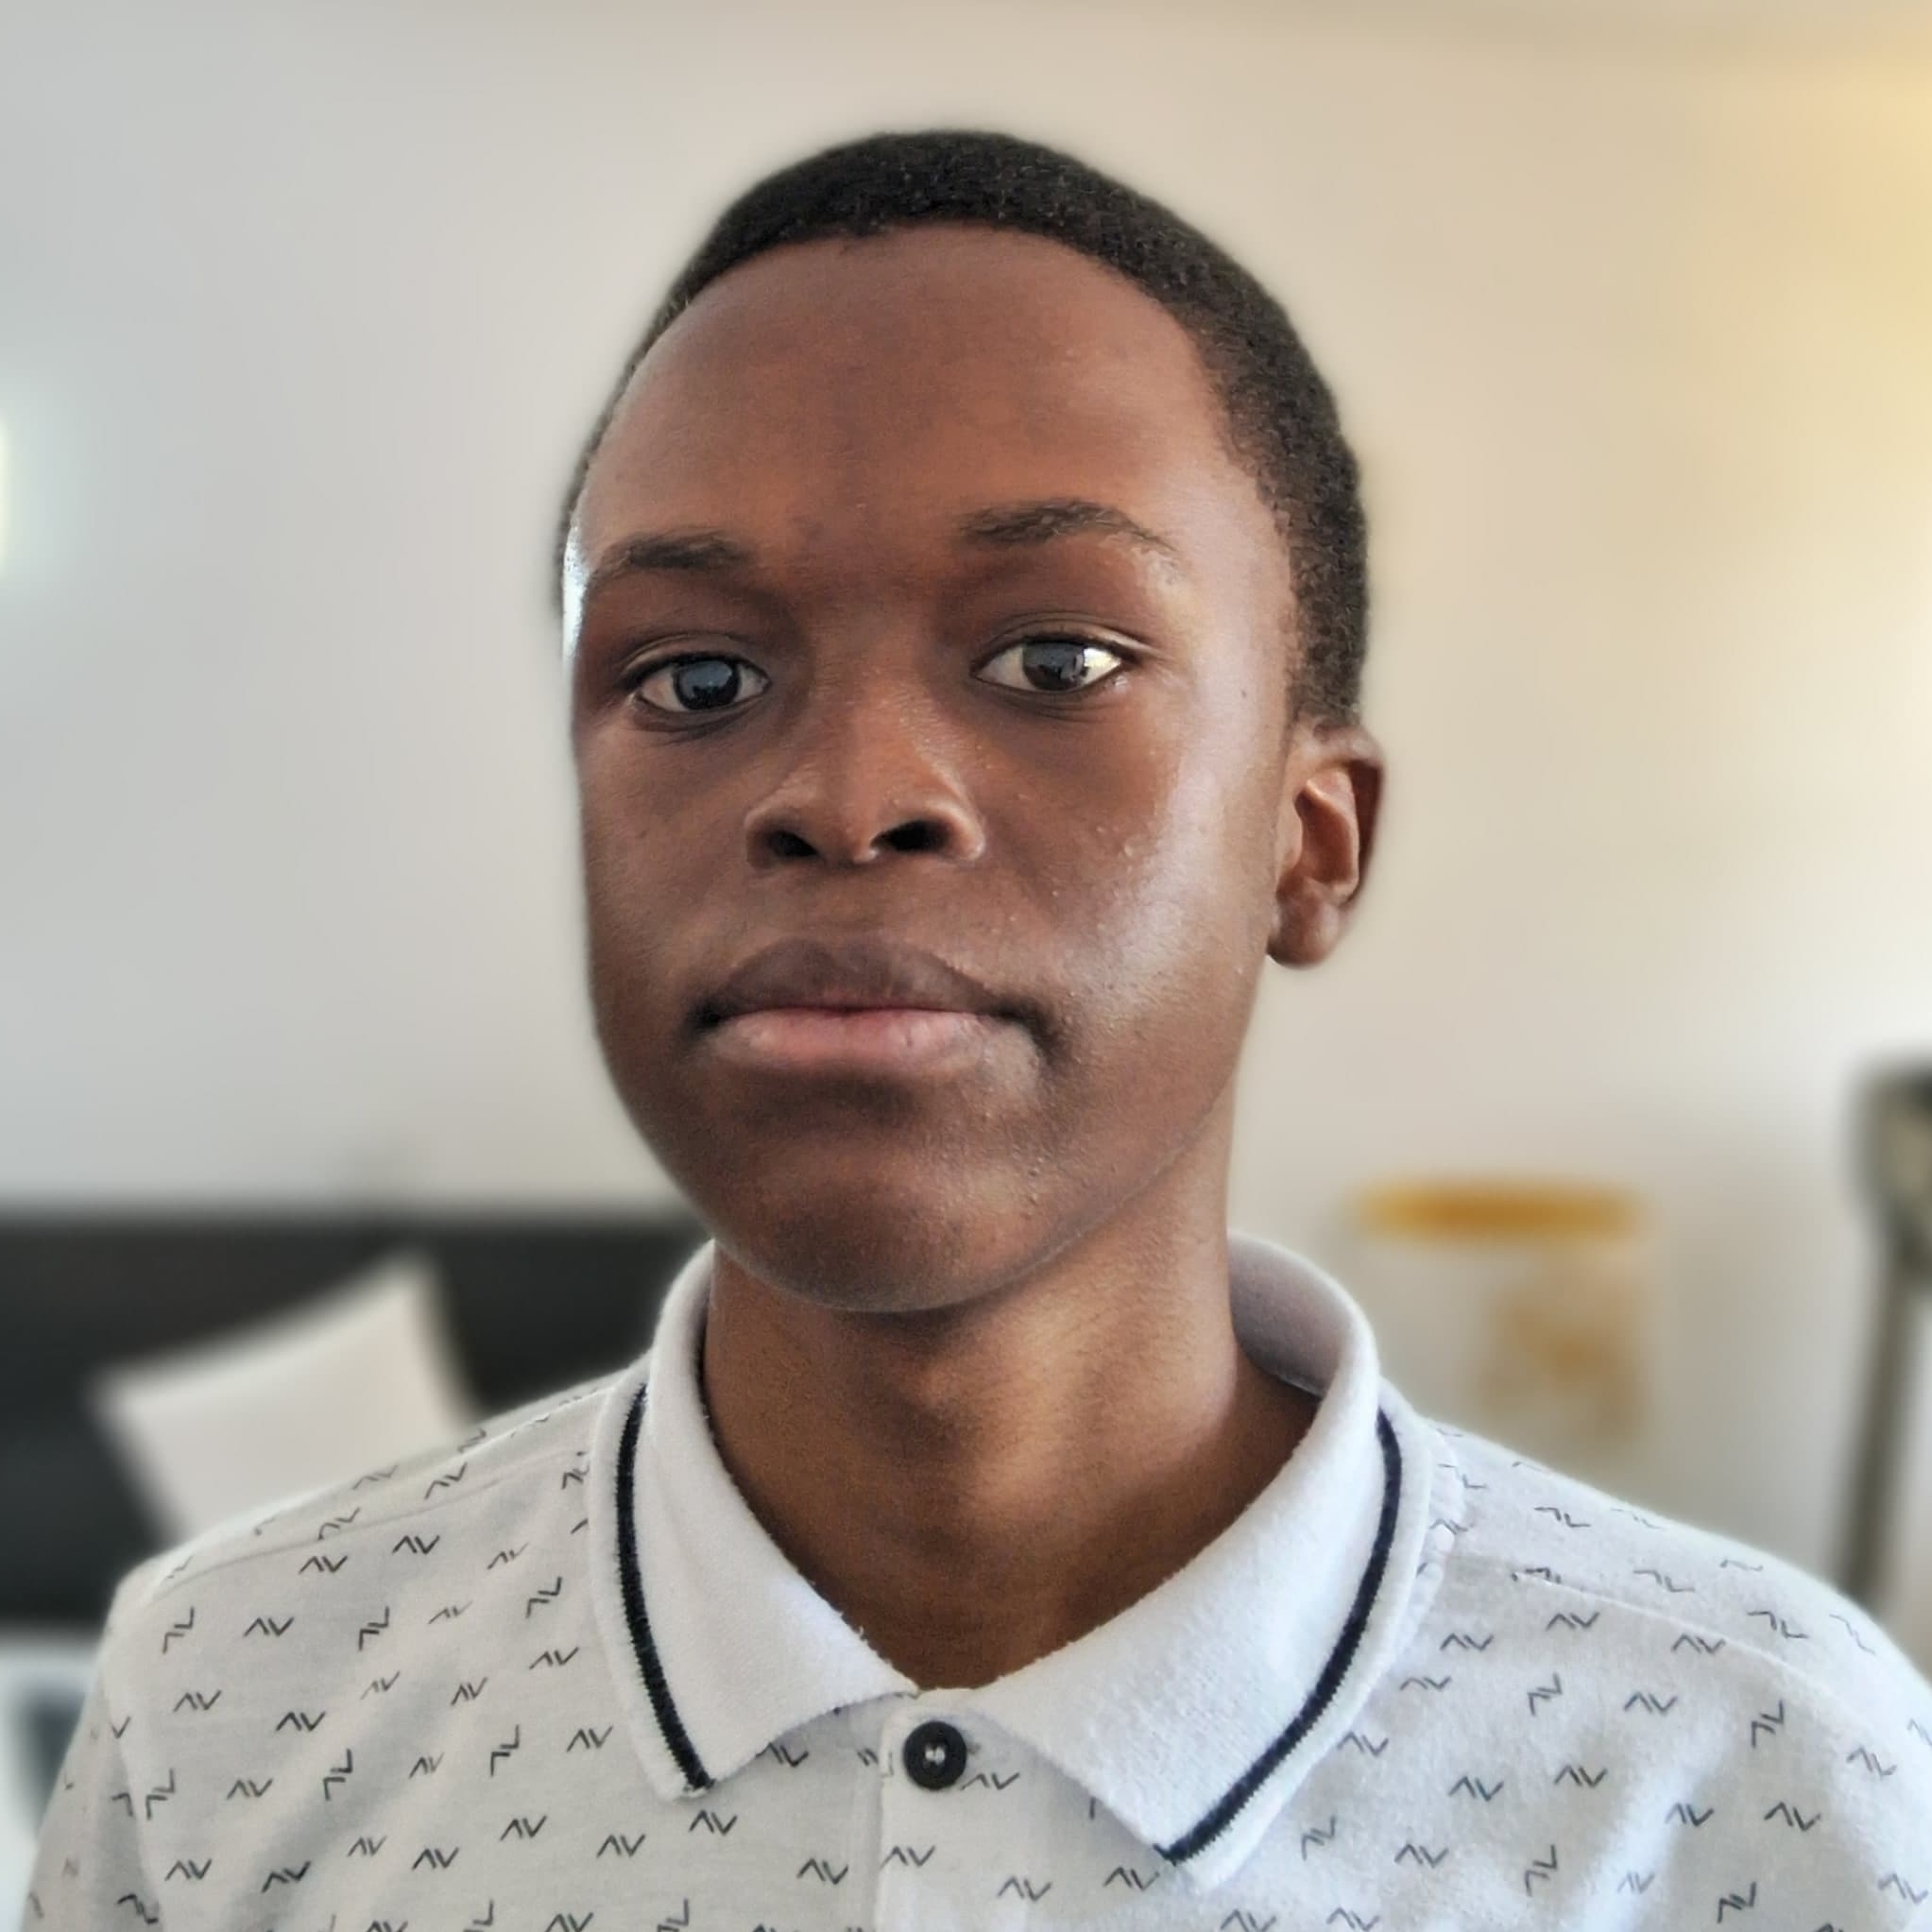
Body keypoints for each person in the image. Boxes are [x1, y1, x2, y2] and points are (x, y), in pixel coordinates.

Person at [28, 128, 1931, 1931]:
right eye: (696, 677)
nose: (850, 795)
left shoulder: (1753, 1781)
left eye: (1056, 658)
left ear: (1308, 842)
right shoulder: (226, 1713)